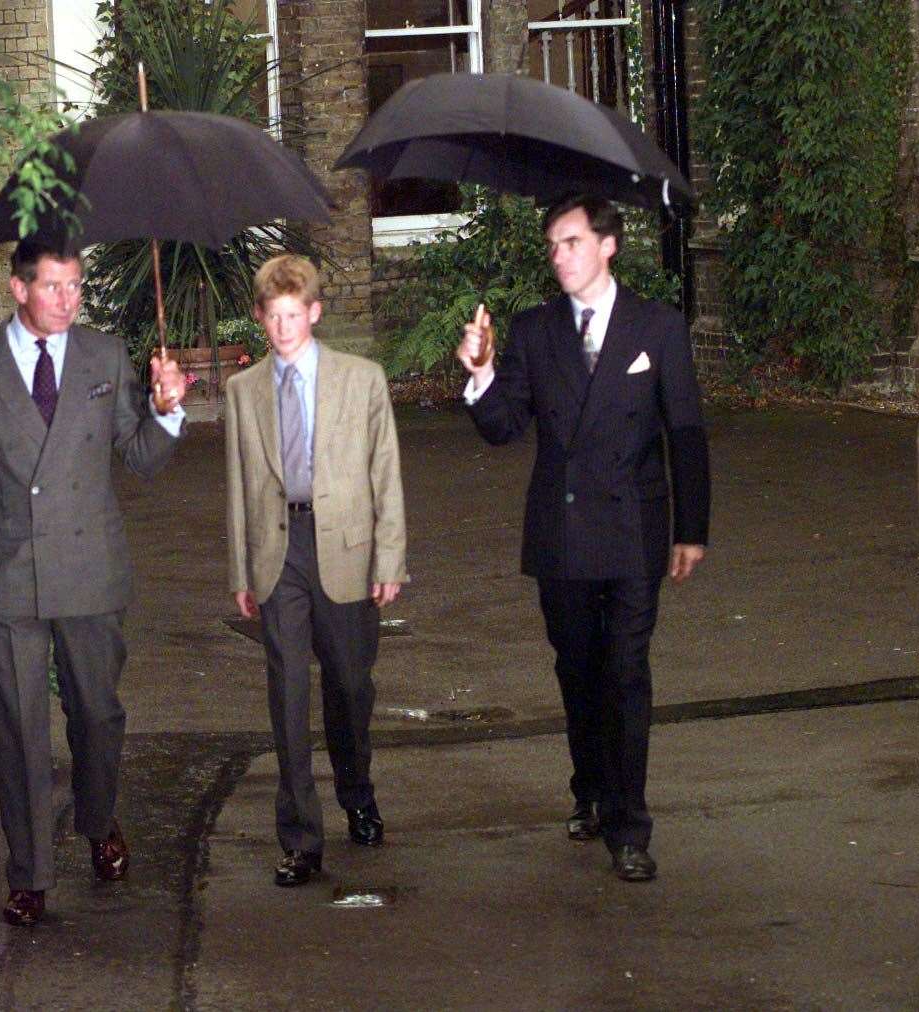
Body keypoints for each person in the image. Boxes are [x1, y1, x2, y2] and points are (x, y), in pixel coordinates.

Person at [0, 239, 187, 925]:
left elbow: (140, 459)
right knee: (18, 729)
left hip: (91, 569)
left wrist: (168, 410)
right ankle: (30, 874)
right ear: (18, 289)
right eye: (54, 287)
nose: (69, 300)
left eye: (76, 287)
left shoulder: (103, 354)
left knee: (98, 715)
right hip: (10, 576)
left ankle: (98, 821)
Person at [457, 194, 710, 882]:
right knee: (579, 668)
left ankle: (630, 826)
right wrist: (480, 374)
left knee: (627, 671)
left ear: (608, 245)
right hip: (562, 533)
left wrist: (691, 529)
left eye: (570, 242)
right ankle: (589, 790)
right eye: (552, 246)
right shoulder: (535, 331)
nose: (558, 256)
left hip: (633, 528)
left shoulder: (657, 327)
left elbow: (683, 431)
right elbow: (506, 426)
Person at [226, 255, 407, 887]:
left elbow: (385, 472)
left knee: (350, 684)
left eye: (294, 315)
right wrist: (242, 572)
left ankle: (357, 792)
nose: (282, 327)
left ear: (315, 313)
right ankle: (301, 837)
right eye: (272, 316)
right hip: (281, 553)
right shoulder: (242, 390)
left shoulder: (362, 380)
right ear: (259, 317)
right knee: (288, 694)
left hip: (348, 548)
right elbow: (239, 486)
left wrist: (390, 558)